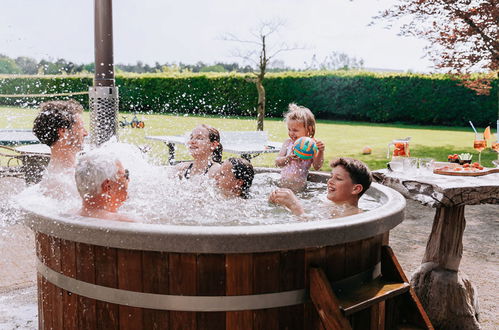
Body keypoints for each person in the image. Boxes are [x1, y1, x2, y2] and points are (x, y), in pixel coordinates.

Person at [269, 157, 372, 218]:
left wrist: (295, 206)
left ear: (355, 189)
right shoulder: (328, 204)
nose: (330, 181)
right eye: (331, 176)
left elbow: (315, 236)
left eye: (338, 179)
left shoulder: (353, 215)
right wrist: (283, 202)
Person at [32, 100, 88, 200]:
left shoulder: (69, 172)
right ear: (63, 132)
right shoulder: (59, 184)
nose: (85, 133)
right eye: (81, 128)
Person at [275, 103, 325, 192]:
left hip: (299, 189)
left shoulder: (312, 146)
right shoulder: (288, 143)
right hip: (282, 185)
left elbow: (317, 166)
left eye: (295, 130)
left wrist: (321, 152)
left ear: (309, 129)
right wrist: (287, 159)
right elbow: (277, 163)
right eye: (289, 129)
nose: (291, 133)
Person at [74, 150, 134, 222]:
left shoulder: (69, 216)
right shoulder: (126, 221)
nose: (128, 180)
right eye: (125, 176)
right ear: (107, 186)